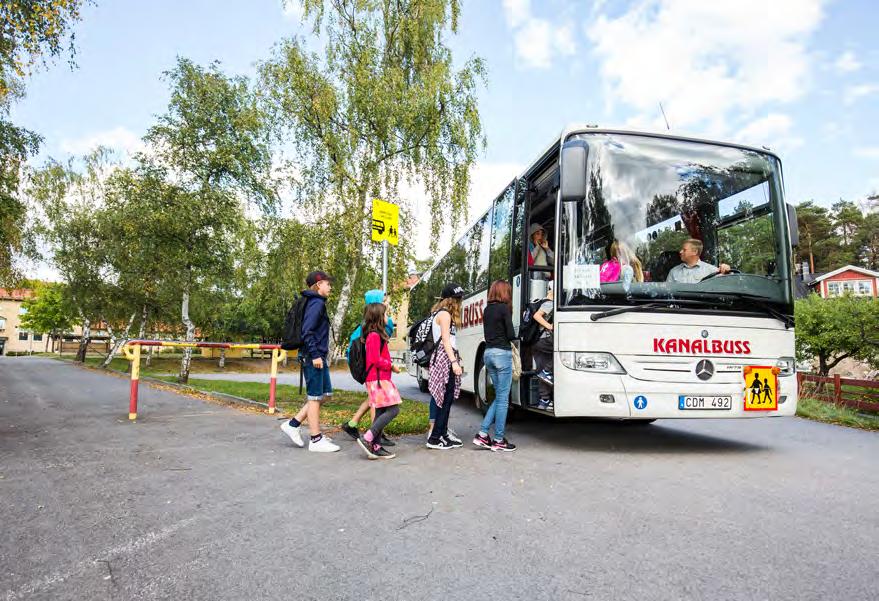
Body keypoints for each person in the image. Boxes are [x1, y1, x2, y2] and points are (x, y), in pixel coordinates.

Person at [280, 271, 340, 452]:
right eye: (328, 284)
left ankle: (293, 424)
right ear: (319, 284)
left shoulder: (316, 302)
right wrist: (314, 355)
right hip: (313, 356)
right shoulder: (316, 303)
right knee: (315, 397)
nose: (330, 287)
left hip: (318, 355)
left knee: (326, 395)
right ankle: (315, 439)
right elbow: (307, 331)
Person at [341, 289, 396, 447]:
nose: (387, 303)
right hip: (371, 369)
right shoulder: (376, 324)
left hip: (370, 367)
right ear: (376, 304)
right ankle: (376, 433)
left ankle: (352, 423)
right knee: (377, 401)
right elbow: (374, 351)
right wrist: (389, 365)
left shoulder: (370, 321)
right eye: (384, 300)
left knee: (374, 397)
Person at [473, 280, 517, 452]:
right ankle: (498, 439)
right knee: (503, 399)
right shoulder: (504, 309)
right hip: (501, 355)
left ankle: (483, 434)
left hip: (488, 354)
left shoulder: (487, 309)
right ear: (505, 293)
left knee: (499, 397)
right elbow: (511, 334)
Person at [356, 302, 403, 460]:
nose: (387, 317)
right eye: (385, 314)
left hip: (378, 378)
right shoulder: (374, 336)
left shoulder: (375, 334)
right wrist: (391, 366)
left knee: (382, 411)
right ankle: (368, 437)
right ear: (377, 317)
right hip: (378, 379)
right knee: (393, 409)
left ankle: (375, 446)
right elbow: (374, 359)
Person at [426, 283, 465, 450]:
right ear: (451, 300)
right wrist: (454, 362)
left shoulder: (441, 313)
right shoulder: (445, 315)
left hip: (444, 357)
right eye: (458, 299)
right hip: (444, 358)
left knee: (446, 399)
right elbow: (446, 341)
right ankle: (434, 438)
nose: (460, 302)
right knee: (444, 399)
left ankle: (441, 434)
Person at [666, 239, 731, 284]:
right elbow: (666, 294)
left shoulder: (711, 270)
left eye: (684, 250)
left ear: (695, 252)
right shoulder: (674, 271)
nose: (680, 252)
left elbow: (729, 283)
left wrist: (727, 270)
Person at [533, 284, 555, 411]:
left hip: (537, 341)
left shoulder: (542, 301)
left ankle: (544, 401)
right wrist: (550, 326)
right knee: (563, 350)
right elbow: (537, 316)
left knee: (542, 373)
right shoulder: (549, 303)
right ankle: (547, 371)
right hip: (544, 339)